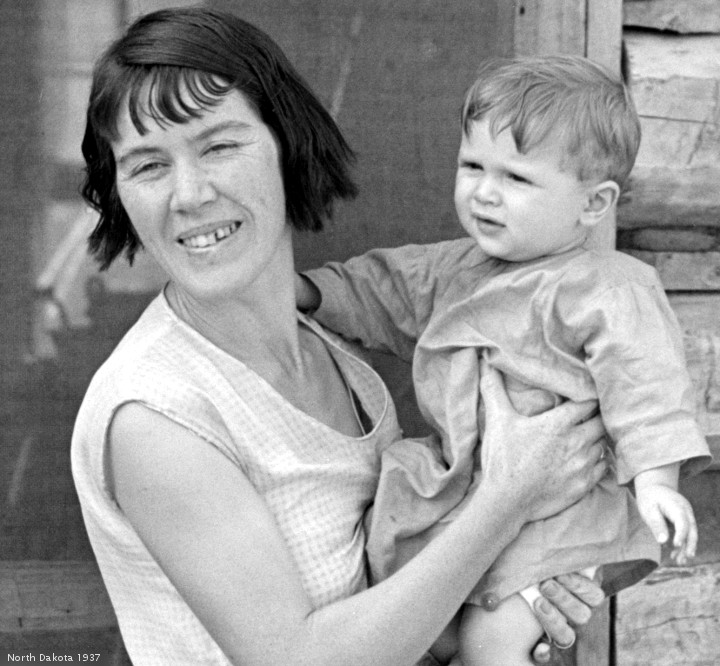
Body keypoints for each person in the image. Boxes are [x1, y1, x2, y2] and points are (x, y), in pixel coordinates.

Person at [70, 9, 609, 665]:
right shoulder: (155, 417)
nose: (188, 195)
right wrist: (507, 502)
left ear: (287, 144)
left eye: (218, 147)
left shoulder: (334, 352)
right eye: (148, 165)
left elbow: (388, 608)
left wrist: (516, 589)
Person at [295, 55, 712, 665]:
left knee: (492, 643)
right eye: (472, 166)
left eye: (516, 178)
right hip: (464, 491)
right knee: (419, 624)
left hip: (558, 515)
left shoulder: (607, 288)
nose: (484, 193)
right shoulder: (454, 269)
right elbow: (382, 288)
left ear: (593, 203)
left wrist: (656, 483)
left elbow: (646, 387)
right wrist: (303, 293)